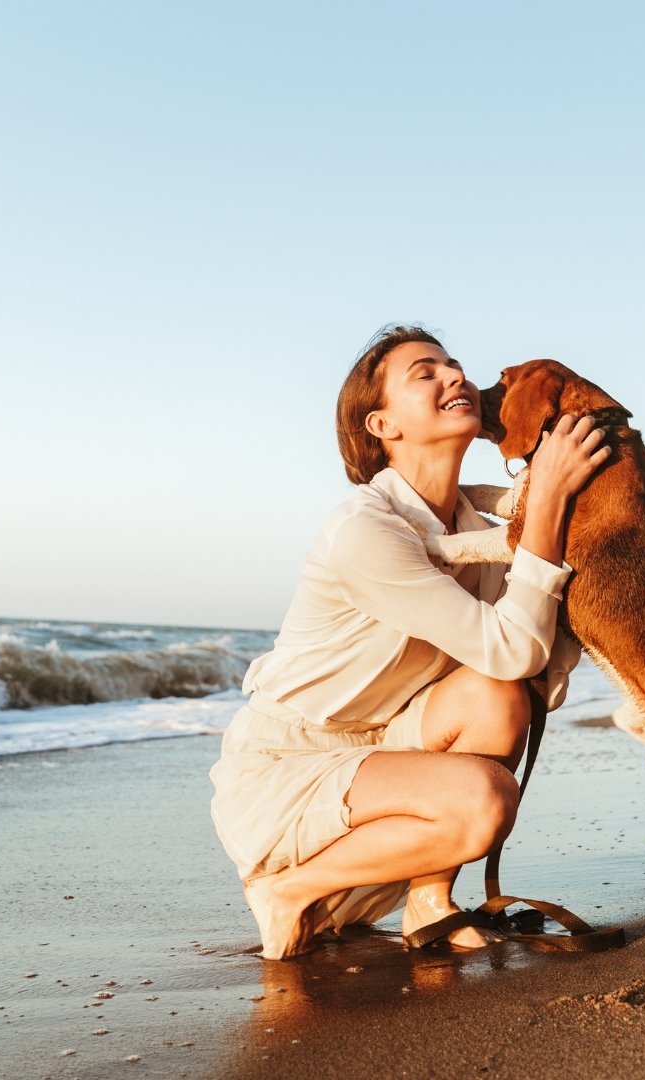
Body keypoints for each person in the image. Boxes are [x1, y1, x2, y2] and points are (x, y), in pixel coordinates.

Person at [210, 325, 610, 958]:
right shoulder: (365, 530)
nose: (454, 376)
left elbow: (527, 667)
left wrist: (547, 501)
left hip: (388, 749)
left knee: (499, 696)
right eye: (425, 373)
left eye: (453, 365)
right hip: (290, 769)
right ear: (382, 426)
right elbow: (517, 647)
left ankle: (429, 899)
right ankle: (290, 889)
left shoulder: (471, 528)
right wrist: (549, 500)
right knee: (484, 801)